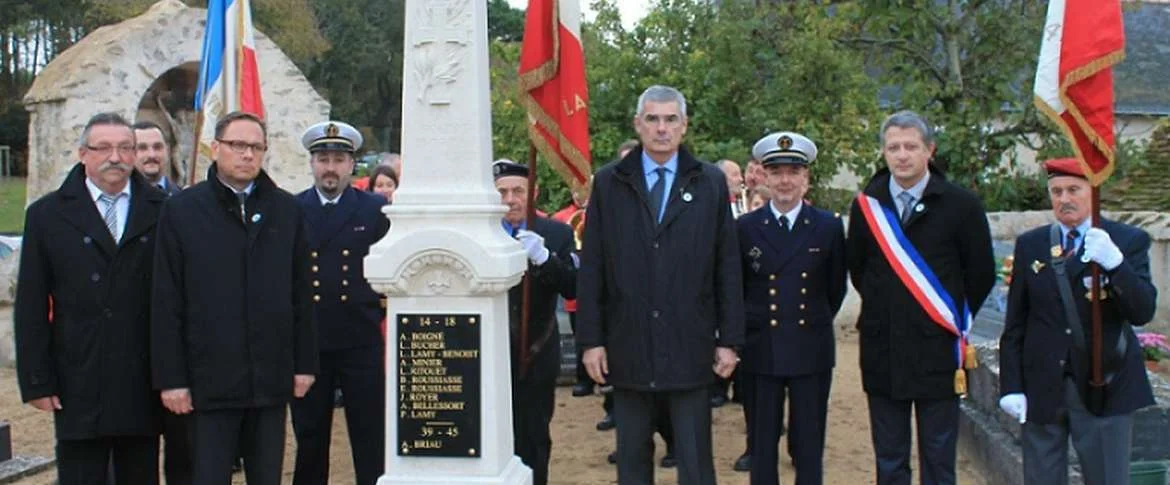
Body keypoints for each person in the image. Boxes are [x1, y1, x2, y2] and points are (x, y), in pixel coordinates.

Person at [577, 85, 744, 485]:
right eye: (652, 119)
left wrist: (730, 339)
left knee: (696, 462)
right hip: (628, 345)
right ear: (638, 125)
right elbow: (594, 267)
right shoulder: (609, 183)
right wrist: (591, 341)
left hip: (691, 347)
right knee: (632, 464)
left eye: (671, 119)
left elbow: (727, 267)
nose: (661, 129)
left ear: (684, 126)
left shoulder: (709, 183)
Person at [151, 111, 318, 485]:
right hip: (208, 381)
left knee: (266, 476)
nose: (247, 155)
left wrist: (304, 363)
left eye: (256, 147)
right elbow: (166, 300)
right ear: (216, 148)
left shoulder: (286, 210)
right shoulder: (181, 211)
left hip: (269, 377)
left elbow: (301, 293)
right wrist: (172, 379)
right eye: (238, 145)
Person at [846, 110, 996, 485]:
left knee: (939, 457)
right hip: (884, 348)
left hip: (937, 349)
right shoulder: (867, 206)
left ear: (929, 150)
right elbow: (859, 270)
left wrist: (948, 317)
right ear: (883, 152)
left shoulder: (962, 205)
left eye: (910, 146)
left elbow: (980, 274)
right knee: (890, 458)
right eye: (893, 147)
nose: (901, 155)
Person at [15, 112, 165, 484]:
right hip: (77, 377)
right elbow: (31, 304)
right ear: (83, 153)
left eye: (125, 147)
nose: (115, 157)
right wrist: (37, 380)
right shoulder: (47, 215)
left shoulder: (163, 210)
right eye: (104, 148)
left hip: (141, 378)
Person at [998, 157, 1157, 485]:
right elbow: (1016, 323)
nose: (1064, 199)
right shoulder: (1033, 244)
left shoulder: (1127, 241)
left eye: (1073, 189)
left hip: (1105, 384)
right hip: (1043, 386)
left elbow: (1142, 311)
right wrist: (1011, 386)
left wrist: (1116, 265)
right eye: (1056, 191)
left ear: (1093, 192)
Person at [740, 132, 846, 485]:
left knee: (809, 443)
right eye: (777, 172)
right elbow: (737, 287)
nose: (785, 180)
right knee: (762, 442)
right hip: (761, 348)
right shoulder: (745, 228)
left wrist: (812, 323)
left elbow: (835, 288)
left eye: (793, 172)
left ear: (806, 179)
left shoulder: (828, 226)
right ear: (764, 177)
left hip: (810, 347)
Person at [291, 121, 389, 485]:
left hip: (360, 339)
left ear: (352, 165)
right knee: (310, 436)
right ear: (312, 163)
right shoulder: (292, 209)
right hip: (310, 343)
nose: (329, 167)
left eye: (338, 159)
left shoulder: (375, 210)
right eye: (322, 158)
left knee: (369, 435)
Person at [493, 159, 577, 485]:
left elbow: (572, 286)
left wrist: (545, 260)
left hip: (537, 350)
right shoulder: (476, 231)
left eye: (518, 191)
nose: (510, 199)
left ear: (534, 194)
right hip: (488, 352)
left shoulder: (555, 233)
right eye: (502, 192)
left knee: (534, 434)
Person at [550, 185, 592, 398]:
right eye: (577, 191)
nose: (581, 195)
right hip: (576, 288)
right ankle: (583, 379)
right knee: (580, 336)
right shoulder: (561, 217)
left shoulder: (604, 211)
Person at [131, 121, 181, 196]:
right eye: (142, 148)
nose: (152, 155)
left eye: (157, 147)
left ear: (167, 151)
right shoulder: (117, 200)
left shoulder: (183, 199)